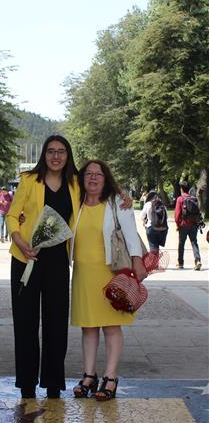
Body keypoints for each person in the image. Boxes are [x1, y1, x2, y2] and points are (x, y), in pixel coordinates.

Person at [6, 135, 132, 399]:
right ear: (44, 154)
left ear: (68, 155)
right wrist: (19, 241)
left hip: (58, 263)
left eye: (61, 151)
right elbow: (11, 214)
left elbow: (101, 187)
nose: (55, 156)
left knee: (55, 325)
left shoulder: (76, 183)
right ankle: (27, 385)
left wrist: (123, 195)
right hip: (26, 260)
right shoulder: (29, 180)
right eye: (51, 151)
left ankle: (53, 385)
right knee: (26, 324)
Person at [71, 160, 147, 401]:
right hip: (83, 273)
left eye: (99, 174)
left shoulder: (117, 203)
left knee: (111, 326)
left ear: (106, 179)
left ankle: (111, 377)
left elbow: (131, 234)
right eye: (88, 174)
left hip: (111, 272)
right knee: (88, 326)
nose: (93, 178)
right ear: (81, 179)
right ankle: (89, 376)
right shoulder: (76, 202)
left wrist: (137, 261)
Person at [175, 181, 202, 270]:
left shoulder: (180, 199)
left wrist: (177, 224)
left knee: (181, 243)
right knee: (194, 242)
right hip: (194, 224)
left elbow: (177, 214)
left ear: (181, 189)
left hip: (183, 224)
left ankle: (180, 263)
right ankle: (197, 260)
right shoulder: (194, 198)